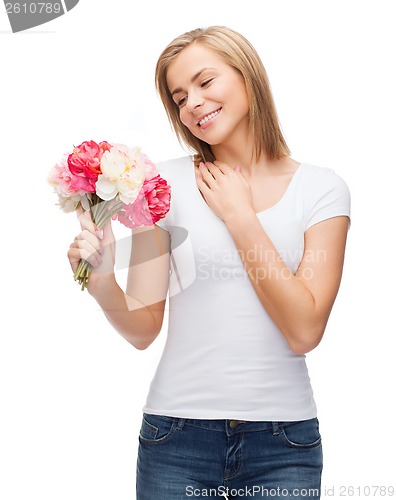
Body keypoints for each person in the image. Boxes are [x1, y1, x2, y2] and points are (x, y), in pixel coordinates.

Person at [68, 26, 351, 499]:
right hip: (175, 438)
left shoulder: (321, 190)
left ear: (247, 76)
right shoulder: (162, 186)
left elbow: (305, 331)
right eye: (179, 97)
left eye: (204, 81)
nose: (192, 103)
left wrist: (240, 217)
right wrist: (101, 283)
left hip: (284, 443)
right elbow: (142, 327)